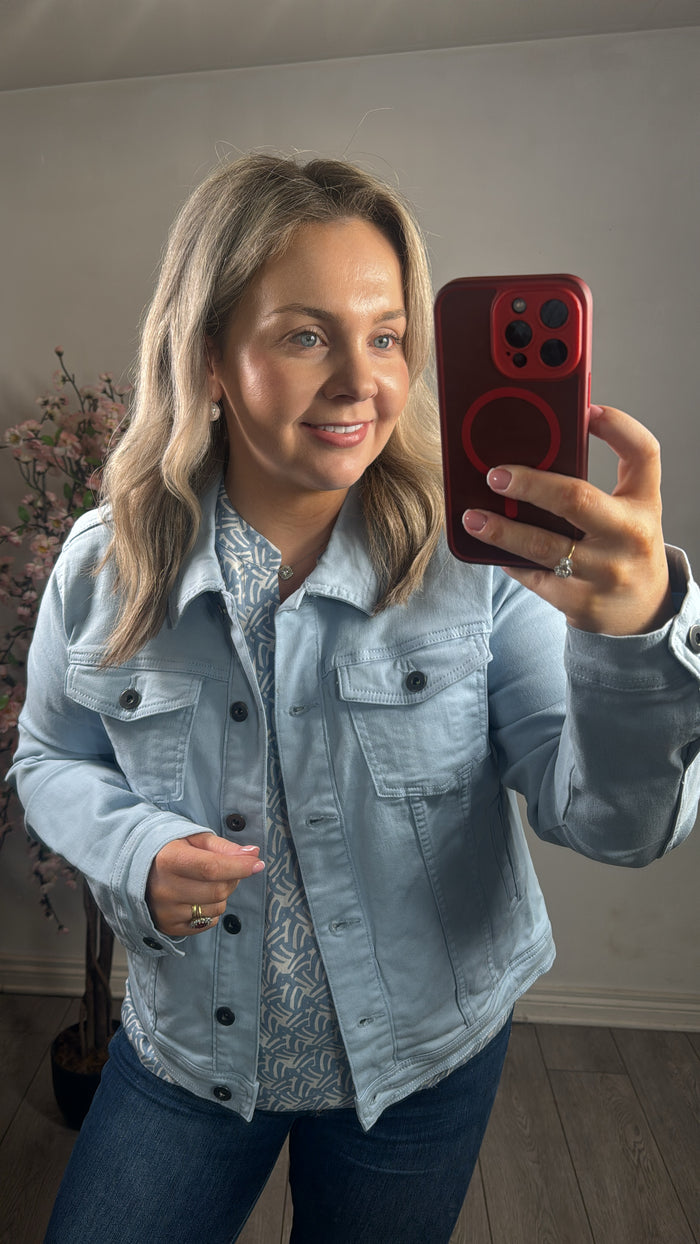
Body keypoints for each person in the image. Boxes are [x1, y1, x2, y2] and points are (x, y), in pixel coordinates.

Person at [9, 154, 700, 1244]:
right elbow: (50, 757)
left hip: (424, 1063)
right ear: (210, 359)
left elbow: (618, 825)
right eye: (304, 335)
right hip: (190, 1052)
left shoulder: (478, 562)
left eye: (385, 336)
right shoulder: (104, 565)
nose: (360, 382)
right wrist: (136, 848)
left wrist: (634, 640)